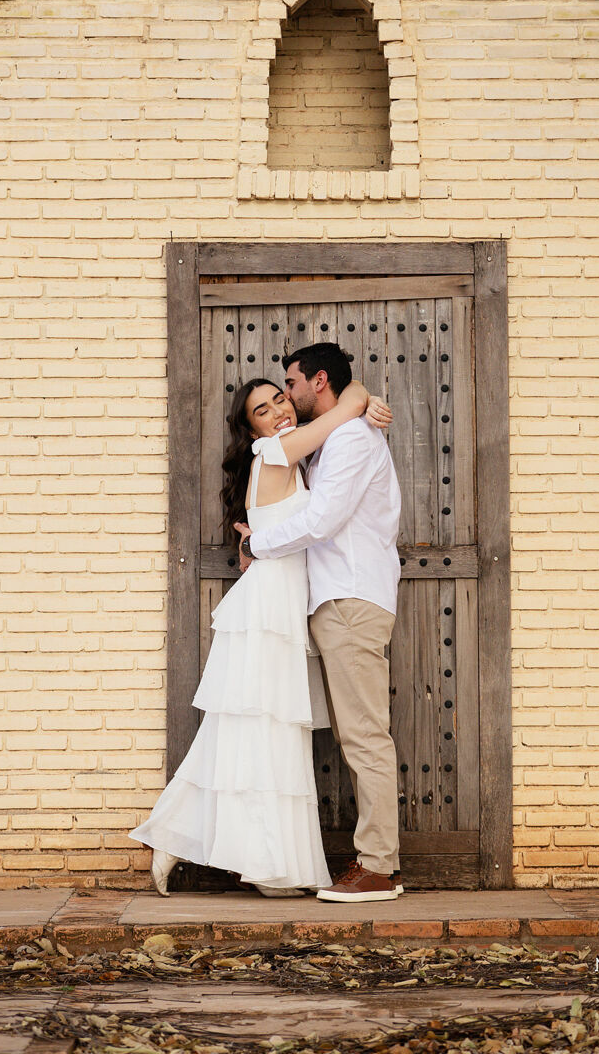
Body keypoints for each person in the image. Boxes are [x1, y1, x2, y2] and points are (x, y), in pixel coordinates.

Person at [128, 372, 391, 896]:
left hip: (281, 602)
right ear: (253, 431)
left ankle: (199, 839)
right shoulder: (275, 451)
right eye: (263, 411)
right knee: (267, 732)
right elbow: (341, 411)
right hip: (270, 605)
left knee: (259, 732)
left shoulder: (286, 455)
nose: (278, 412)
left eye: (279, 400)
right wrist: (362, 398)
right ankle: (260, 862)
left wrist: (363, 400)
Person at [235, 342, 404, 903]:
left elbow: (324, 518)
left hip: (351, 600)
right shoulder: (334, 434)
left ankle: (378, 867)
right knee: (357, 734)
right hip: (336, 602)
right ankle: (374, 861)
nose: (288, 395)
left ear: (319, 381)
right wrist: (359, 397)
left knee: (364, 735)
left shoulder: (351, 439)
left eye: (291, 383)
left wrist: (259, 543)